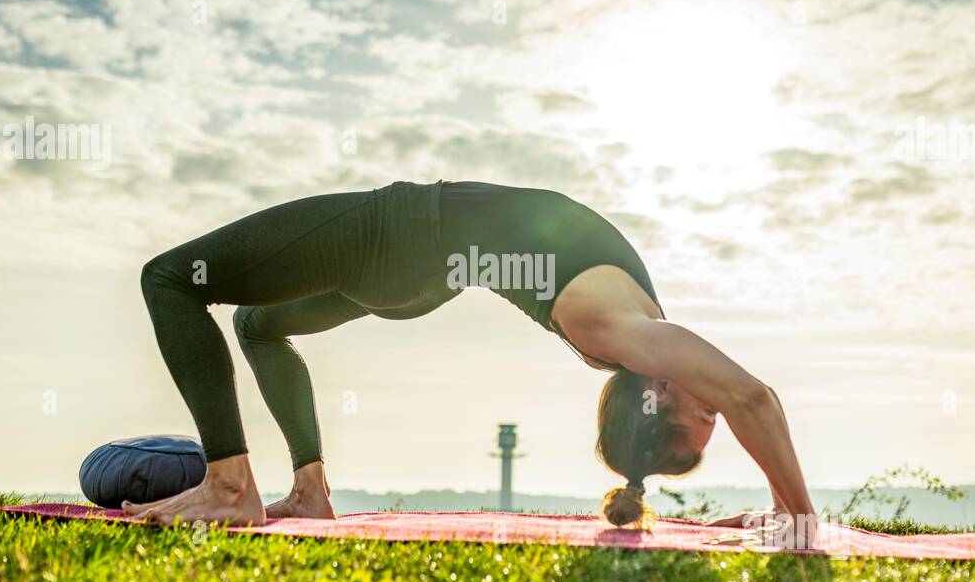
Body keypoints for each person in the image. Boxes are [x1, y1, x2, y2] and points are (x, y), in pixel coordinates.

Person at [125, 180, 816, 535]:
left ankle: (227, 487)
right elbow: (744, 400)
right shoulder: (635, 329)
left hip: (400, 237)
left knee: (171, 277)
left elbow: (752, 396)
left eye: (704, 415)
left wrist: (799, 520)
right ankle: (309, 494)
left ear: (658, 395)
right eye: (711, 418)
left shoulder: (614, 328)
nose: (715, 406)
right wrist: (787, 514)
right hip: (421, 277)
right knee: (259, 325)